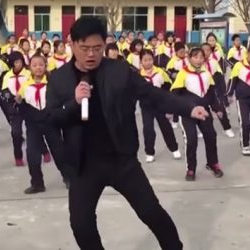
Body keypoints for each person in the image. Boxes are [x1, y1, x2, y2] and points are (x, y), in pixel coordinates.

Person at [46, 16, 209, 250]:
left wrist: (189, 108)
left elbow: (152, 95)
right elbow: (51, 119)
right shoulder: (59, 79)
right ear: (71, 44)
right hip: (84, 166)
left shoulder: (119, 71)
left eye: (97, 48)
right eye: (84, 48)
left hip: (122, 160)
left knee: (151, 212)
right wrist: (74, 102)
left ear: (105, 45)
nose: (91, 54)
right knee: (81, 224)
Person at [16, 54, 69, 193]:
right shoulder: (25, 85)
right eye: (34, 65)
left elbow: (60, 101)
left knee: (59, 151)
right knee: (32, 153)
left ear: (46, 66)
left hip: (50, 122)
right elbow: (20, 103)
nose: (38, 68)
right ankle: (37, 183)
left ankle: (68, 177)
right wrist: (17, 101)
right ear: (30, 67)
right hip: (33, 124)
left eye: (41, 64)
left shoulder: (52, 83)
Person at [171, 47, 224, 181]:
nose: (199, 60)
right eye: (195, 57)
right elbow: (175, 94)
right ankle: (191, 168)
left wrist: (217, 108)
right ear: (189, 58)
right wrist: (173, 109)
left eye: (201, 57)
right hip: (188, 113)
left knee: (211, 136)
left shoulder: (207, 73)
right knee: (192, 139)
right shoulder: (183, 73)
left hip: (204, 111)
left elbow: (212, 94)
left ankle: (213, 163)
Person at [139, 49, 181, 163]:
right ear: (141, 62)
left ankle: (174, 148)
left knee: (165, 127)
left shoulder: (160, 72)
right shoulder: (138, 75)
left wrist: (169, 104)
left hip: (160, 105)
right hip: (146, 106)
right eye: (145, 60)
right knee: (148, 129)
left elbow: (168, 87)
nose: (148, 62)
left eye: (150, 60)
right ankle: (149, 152)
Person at [202, 43, 235, 138]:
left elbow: (220, 77)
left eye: (208, 50)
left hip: (213, 89)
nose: (206, 52)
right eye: (204, 50)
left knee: (220, 108)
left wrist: (223, 92)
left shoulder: (213, 62)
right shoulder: (196, 61)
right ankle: (200, 129)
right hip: (200, 90)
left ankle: (227, 128)